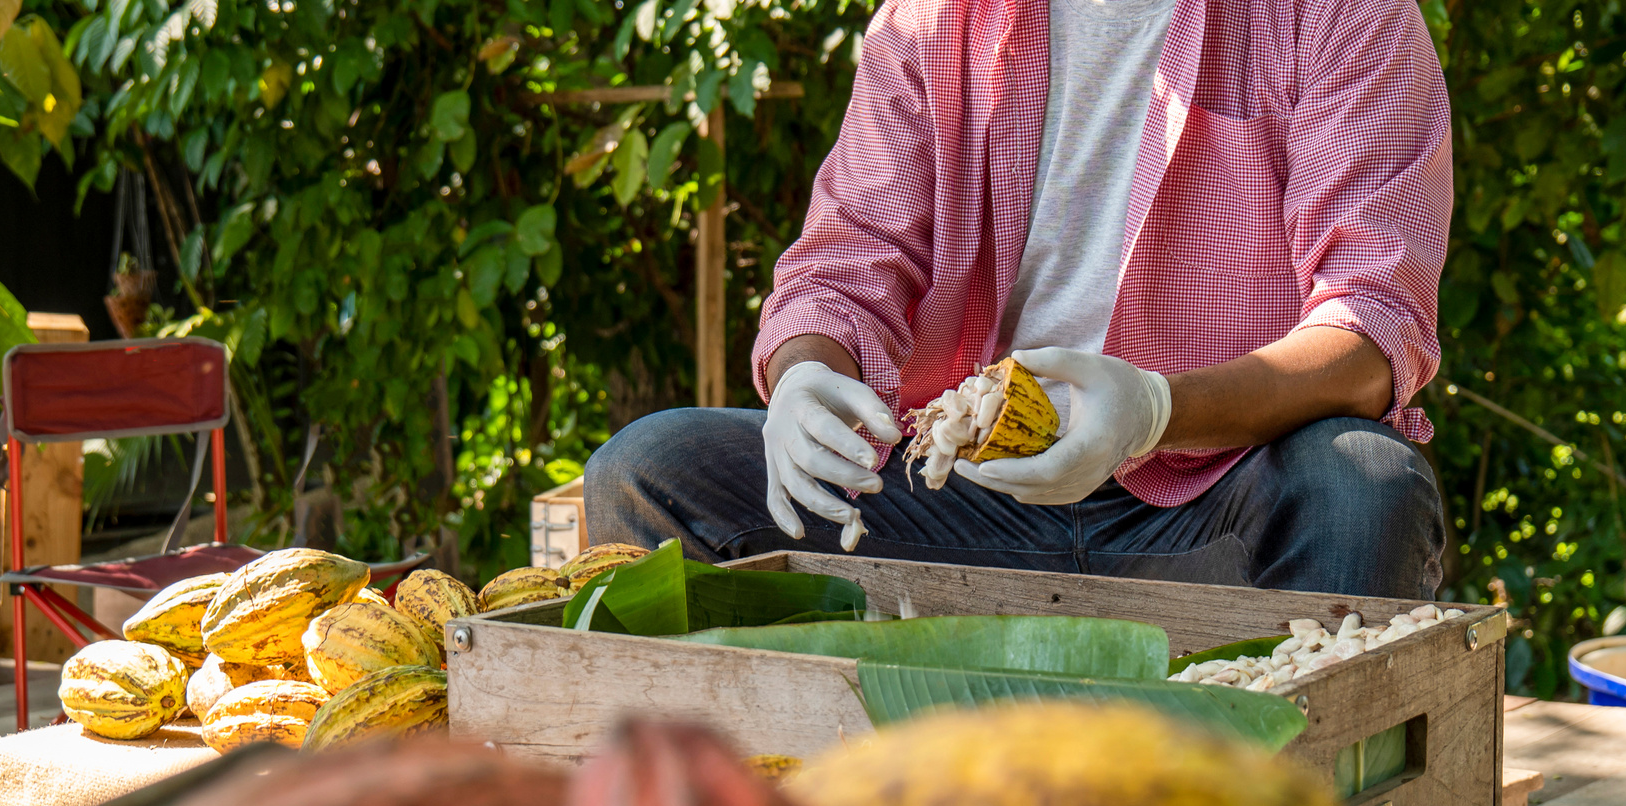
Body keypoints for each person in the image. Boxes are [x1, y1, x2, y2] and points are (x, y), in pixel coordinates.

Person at [586, 0, 1454, 598]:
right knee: (650, 474)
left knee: (1364, 487)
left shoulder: (1345, 15)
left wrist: (1154, 410)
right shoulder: (935, 18)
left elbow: (1373, 328)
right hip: (961, 487)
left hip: (1214, 500)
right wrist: (808, 374)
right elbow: (846, 263)